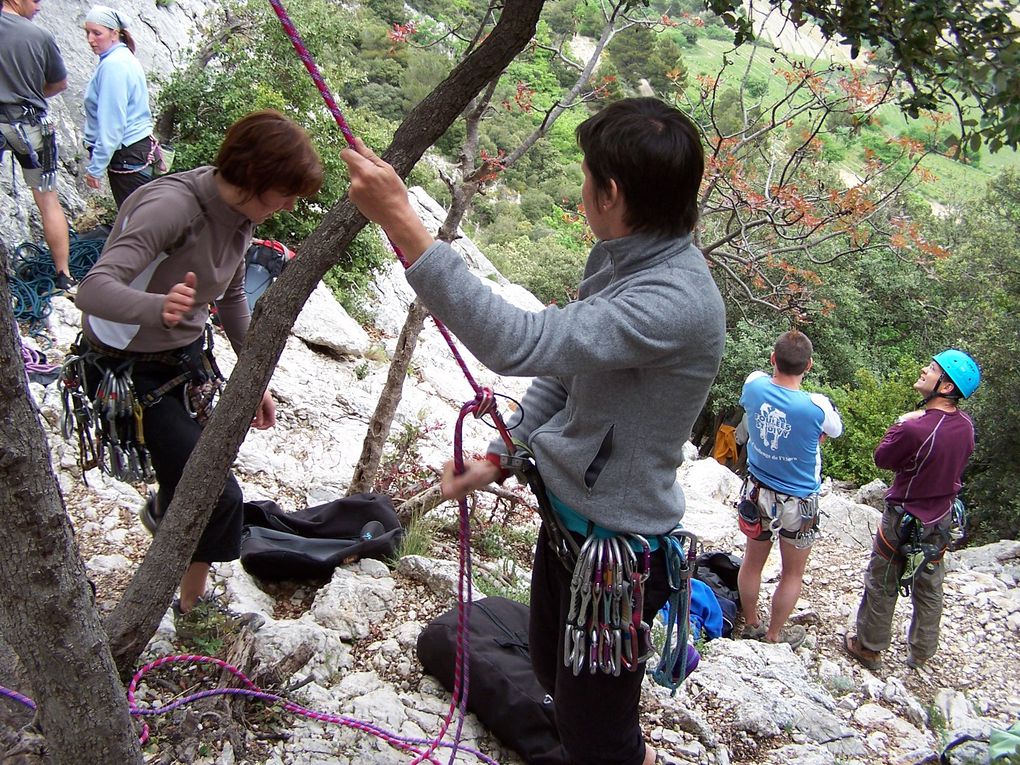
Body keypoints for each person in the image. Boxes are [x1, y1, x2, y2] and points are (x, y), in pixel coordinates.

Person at [342, 97, 726, 765]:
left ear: (610, 194)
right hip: (567, 525)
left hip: (616, 556)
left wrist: (403, 220)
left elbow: (516, 342)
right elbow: (565, 369)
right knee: (552, 674)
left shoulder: (673, 301)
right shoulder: (621, 258)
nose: (581, 188)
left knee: (598, 730)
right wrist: (507, 450)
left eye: (586, 177)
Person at [74, 109, 323, 614]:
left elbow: (231, 297)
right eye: (288, 192)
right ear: (257, 178)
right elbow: (93, 289)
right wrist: (156, 308)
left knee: (196, 480)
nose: (291, 204)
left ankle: (177, 553)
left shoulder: (241, 219)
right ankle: (191, 609)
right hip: (128, 368)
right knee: (213, 493)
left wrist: (256, 382)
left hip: (181, 359)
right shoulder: (172, 207)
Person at [844, 350, 979, 671]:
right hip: (941, 518)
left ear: (945, 387)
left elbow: (883, 458)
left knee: (883, 579)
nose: (924, 370)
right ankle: (922, 650)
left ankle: (870, 646)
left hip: (903, 516)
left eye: (932, 369)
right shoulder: (966, 427)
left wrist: (899, 424)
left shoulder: (914, 428)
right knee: (930, 583)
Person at [736, 330, 843, 649]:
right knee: (792, 573)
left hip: (757, 490)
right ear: (808, 366)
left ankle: (752, 622)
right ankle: (774, 634)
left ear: (773, 359)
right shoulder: (816, 406)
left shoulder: (754, 385)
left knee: (752, 562)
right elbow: (833, 430)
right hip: (800, 501)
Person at [0, 0, 74, 292]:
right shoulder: (39, 36)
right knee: (47, 199)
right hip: (30, 125)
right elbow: (59, 83)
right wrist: (32, 93)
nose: (39, 5)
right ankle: (63, 274)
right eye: (35, 0)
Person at [83, 5, 155, 208]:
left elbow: (112, 125)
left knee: (134, 223)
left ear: (114, 33)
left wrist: (95, 168)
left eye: (97, 33)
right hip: (135, 150)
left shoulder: (114, 66)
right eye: (87, 32)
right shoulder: (123, 59)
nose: (90, 39)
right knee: (140, 218)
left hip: (126, 153)